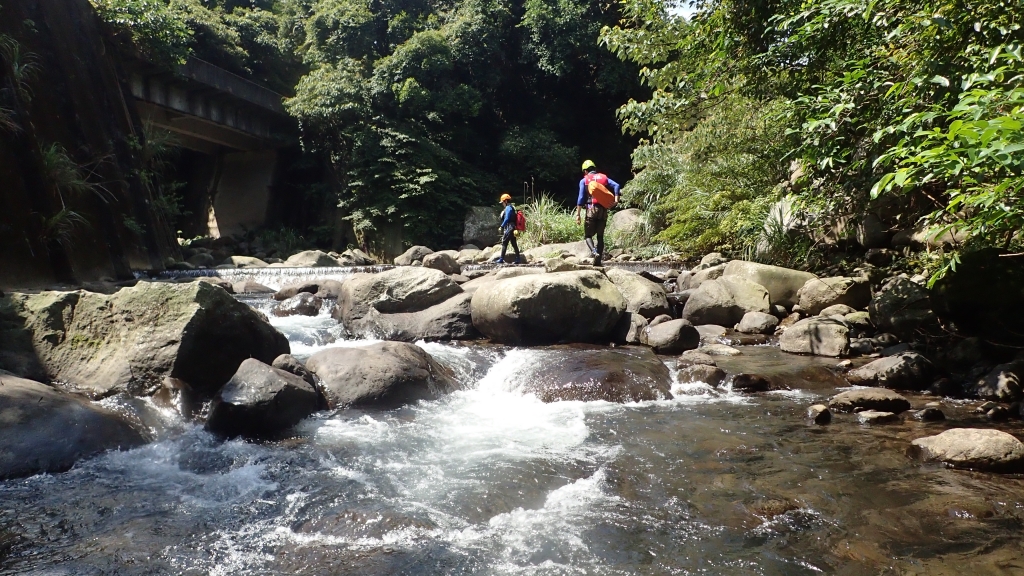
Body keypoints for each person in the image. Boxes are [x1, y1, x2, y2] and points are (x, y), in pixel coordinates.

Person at [575, 159, 621, 266]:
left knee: (588, 236)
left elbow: (581, 198)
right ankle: (598, 262)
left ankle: (594, 252)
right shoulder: (603, 177)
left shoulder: (584, 180)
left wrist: (578, 214)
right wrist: (616, 200)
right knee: (600, 236)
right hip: (603, 210)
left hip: (591, 209)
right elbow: (617, 185)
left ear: (585, 171)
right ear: (594, 169)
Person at [497, 193, 521, 264]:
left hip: (509, 228)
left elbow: (507, 218)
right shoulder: (512, 207)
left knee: (504, 242)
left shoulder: (508, 208)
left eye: (502, 202)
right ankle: (518, 258)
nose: (502, 204)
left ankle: (501, 259)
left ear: (506, 201)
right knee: (514, 243)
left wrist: (501, 226)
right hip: (513, 227)